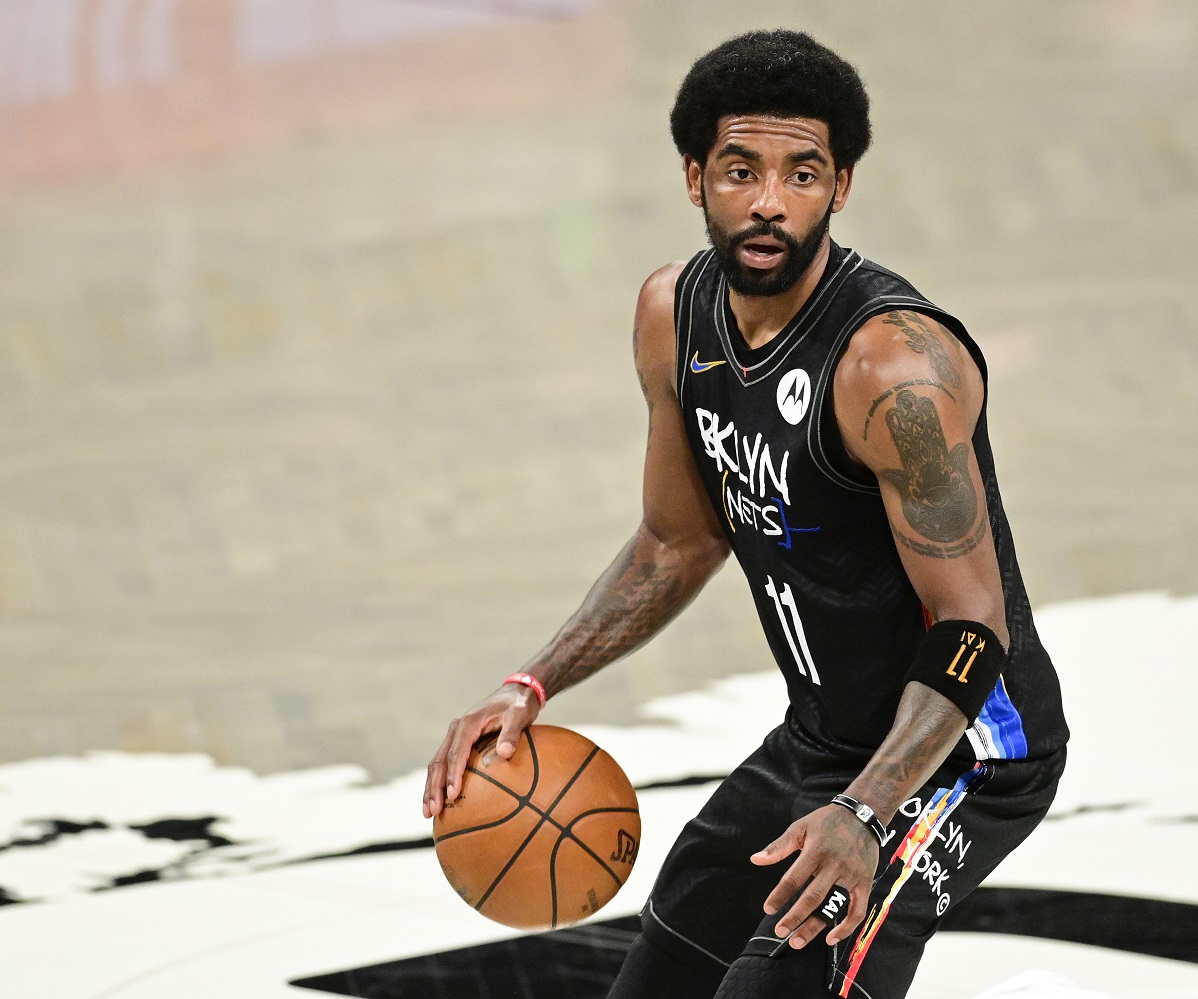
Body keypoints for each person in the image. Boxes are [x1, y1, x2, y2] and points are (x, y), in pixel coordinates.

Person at [423, 29, 1068, 999]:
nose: (770, 200)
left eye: (802, 172)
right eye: (741, 170)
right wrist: (532, 683)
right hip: (826, 736)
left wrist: (865, 812)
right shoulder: (672, 316)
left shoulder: (894, 373)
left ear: (841, 186)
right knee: (679, 941)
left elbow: (974, 623)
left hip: (963, 755)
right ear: (695, 178)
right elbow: (678, 541)